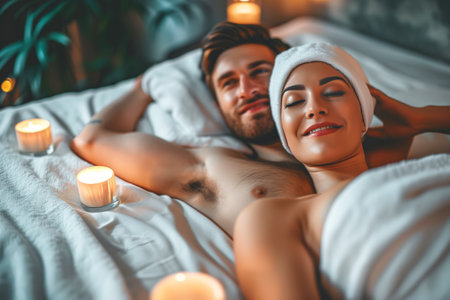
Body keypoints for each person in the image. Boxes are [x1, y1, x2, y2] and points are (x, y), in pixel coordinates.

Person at [70, 22, 430, 237]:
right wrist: (142, 86)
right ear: (217, 103)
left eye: (260, 71)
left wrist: (424, 118)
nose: (246, 89)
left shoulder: (364, 142)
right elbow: (93, 139)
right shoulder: (211, 166)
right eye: (228, 83)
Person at [232, 42, 450, 299]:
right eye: (294, 102)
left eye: (334, 92)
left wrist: (419, 119)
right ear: (285, 137)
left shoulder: (426, 164)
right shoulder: (276, 218)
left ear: (364, 113)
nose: (314, 108)